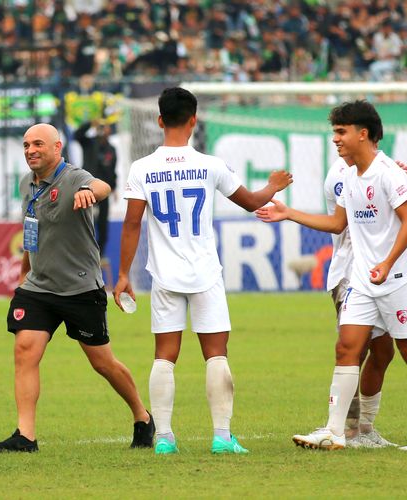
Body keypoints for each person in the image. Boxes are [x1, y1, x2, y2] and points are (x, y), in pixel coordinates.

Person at [256, 100, 407, 451]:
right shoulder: (346, 175)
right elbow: (338, 224)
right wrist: (289, 213)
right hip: (361, 280)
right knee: (347, 347)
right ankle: (335, 430)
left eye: (341, 132)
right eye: (334, 133)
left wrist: (387, 263)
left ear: (364, 133)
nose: (335, 139)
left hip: (398, 278)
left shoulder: (388, 173)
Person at [113, 87, 291, 455]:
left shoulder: (141, 168)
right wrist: (272, 186)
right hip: (205, 273)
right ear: (194, 120)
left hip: (164, 275)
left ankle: (164, 438)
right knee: (216, 353)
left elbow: (132, 224)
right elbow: (251, 203)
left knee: (165, 353)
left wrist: (123, 275)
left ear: (160, 121)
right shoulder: (211, 165)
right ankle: (222, 438)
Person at [0, 123, 154, 454]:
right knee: (25, 351)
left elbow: (103, 186)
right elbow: (31, 236)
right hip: (39, 287)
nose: (30, 150)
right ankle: (26, 435)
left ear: (56, 149)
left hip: (80, 288)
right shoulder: (26, 184)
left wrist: (89, 192)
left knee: (102, 363)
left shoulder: (74, 177)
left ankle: (143, 416)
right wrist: (24, 277)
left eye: (38, 144)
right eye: (25, 145)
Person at [323, 151, 396, 449]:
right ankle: (348, 429)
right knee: (355, 349)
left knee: (383, 352)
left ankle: (364, 428)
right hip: (350, 273)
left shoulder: (378, 168)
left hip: (376, 271)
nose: (337, 139)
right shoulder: (344, 174)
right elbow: (351, 224)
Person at [74, 119, 117, 260]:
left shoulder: (111, 149)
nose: (104, 130)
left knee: (103, 224)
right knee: (85, 222)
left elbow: (112, 171)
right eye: (101, 127)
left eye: (106, 127)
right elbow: (77, 135)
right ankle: (83, 254)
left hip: (103, 193)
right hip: (87, 189)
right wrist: (90, 124)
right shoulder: (89, 143)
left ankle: (100, 254)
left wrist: (114, 188)